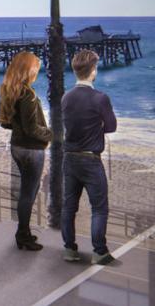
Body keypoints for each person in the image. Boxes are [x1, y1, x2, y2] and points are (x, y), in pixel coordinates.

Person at [61, 50, 117, 266]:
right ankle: (100, 252)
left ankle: (69, 249)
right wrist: (99, 124)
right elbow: (111, 126)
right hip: (91, 160)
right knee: (100, 208)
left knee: (69, 207)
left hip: (70, 159)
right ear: (93, 71)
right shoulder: (100, 98)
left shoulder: (66, 97)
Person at [0, 51, 52, 251]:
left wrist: (21, 129)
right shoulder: (28, 95)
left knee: (26, 192)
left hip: (17, 147)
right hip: (31, 149)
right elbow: (32, 129)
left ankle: (24, 233)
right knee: (29, 193)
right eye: (35, 69)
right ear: (28, 70)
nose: (37, 72)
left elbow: (6, 123)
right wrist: (52, 135)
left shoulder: (8, 90)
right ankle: (23, 235)